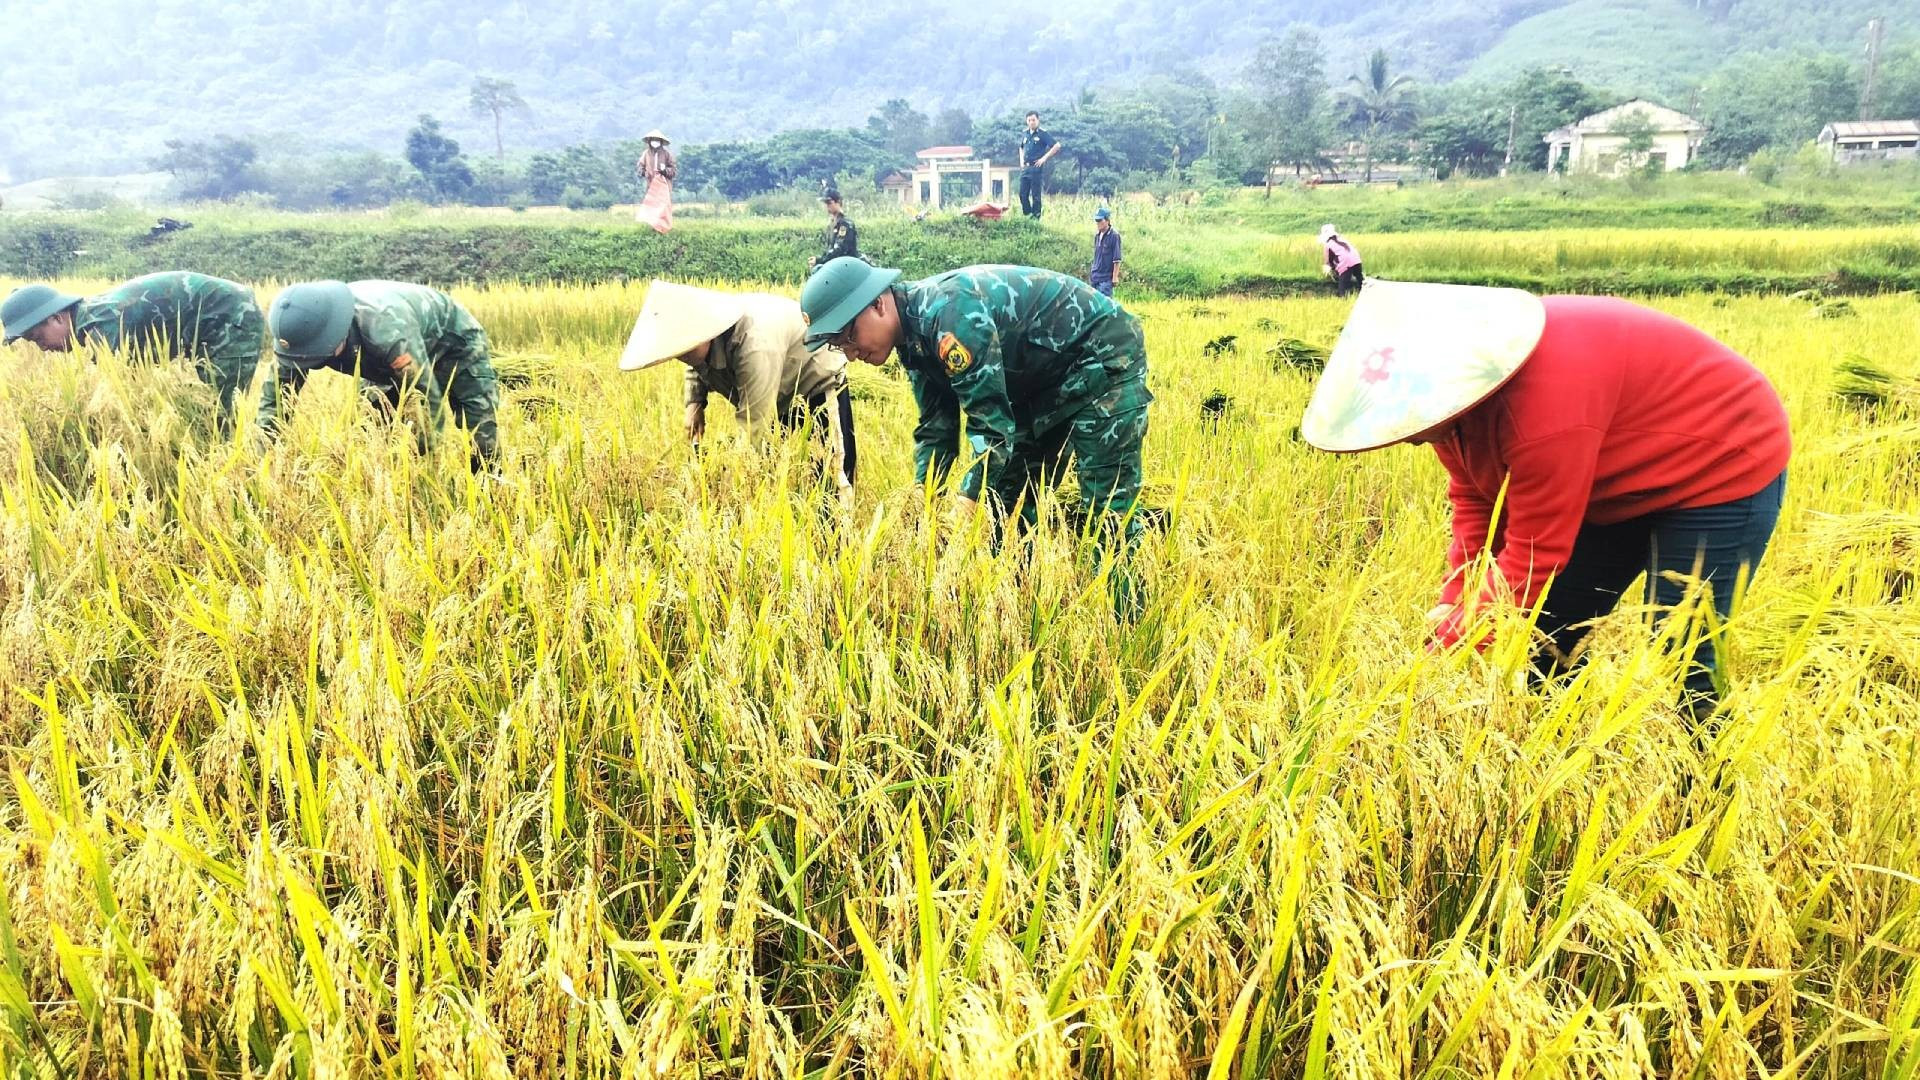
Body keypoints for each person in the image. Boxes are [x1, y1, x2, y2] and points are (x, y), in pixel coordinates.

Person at [1299, 280, 1792, 722]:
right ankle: (1552, 771)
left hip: (1720, 463)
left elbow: (1535, 553)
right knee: (1547, 640)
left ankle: (1707, 799)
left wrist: (1442, 651)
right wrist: (1454, 601)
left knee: (1681, 654)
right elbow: (1475, 500)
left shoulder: (1542, 412)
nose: (1406, 438)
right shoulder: (1451, 405)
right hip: (1610, 476)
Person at [798, 257, 1151, 605]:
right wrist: (924, 498)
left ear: (877, 303)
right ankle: (1018, 604)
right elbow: (937, 428)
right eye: (837, 344)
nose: (850, 351)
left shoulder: (950, 316)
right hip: (1039, 385)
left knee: (1106, 509)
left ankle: (1126, 620)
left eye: (848, 334)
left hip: (1102, 356)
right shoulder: (912, 340)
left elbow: (991, 427)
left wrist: (963, 509)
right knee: (1008, 504)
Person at [618, 280, 856, 494]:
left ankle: (838, 538)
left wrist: (729, 487)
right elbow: (695, 363)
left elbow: (754, 424)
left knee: (830, 478)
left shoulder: (755, 346)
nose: (682, 356)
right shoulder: (697, 345)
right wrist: (694, 403)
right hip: (776, 390)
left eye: (685, 349)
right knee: (780, 476)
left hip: (815, 384)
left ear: (705, 332)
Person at [260, 280, 501, 469]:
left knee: (478, 420)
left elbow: (426, 398)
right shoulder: (297, 336)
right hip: (376, 357)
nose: (308, 363)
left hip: (453, 341)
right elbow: (275, 404)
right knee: (370, 424)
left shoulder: (386, 330)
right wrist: (261, 462)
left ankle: (488, 487)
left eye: (315, 357)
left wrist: (422, 469)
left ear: (336, 335)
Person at [1, 272, 265, 431]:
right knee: (201, 411)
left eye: (37, 338)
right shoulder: (91, 320)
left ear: (57, 318)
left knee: (220, 412)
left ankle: (244, 473)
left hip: (231, 315)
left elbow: (124, 396)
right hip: (204, 326)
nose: (43, 348)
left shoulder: (101, 326)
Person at [1017, 111, 1062, 219]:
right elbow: (1021, 147)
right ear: (1026, 121)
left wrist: (1044, 158)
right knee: (1022, 194)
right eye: (1029, 120)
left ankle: (1036, 219)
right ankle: (1027, 216)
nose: (1031, 122)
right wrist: (1021, 160)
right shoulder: (1025, 133)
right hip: (1026, 168)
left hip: (1036, 167)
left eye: (1033, 120)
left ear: (1038, 120)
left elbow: (1057, 145)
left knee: (1036, 195)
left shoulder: (1042, 133)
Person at [634, 130, 677, 234]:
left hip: (663, 185)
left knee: (663, 206)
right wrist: (643, 172)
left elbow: (673, 171)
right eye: (653, 140)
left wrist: (664, 171)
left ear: (661, 142)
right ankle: (653, 228)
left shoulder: (667, 155)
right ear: (649, 141)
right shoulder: (646, 154)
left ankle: (664, 228)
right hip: (651, 185)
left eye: (657, 140)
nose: (655, 142)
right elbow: (640, 166)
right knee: (652, 206)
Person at [809, 187, 861, 270]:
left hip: (847, 267)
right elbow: (829, 248)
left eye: (829, 203)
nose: (827, 206)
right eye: (825, 203)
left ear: (838, 202)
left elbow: (839, 249)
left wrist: (820, 260)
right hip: (836, 267)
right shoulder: (832, 224)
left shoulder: (845, 224)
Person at [1321, 224, 1363, 296]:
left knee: (1342, 289)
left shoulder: (1328, 245)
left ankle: (1344, 299)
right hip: (1357, 261)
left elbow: (1328, 262)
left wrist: (1332, 270)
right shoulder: (1343, 240)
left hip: (1346, 265)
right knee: (1361, 282)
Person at [1090, 207, 1123, 297]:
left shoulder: (1114, 236)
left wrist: (1115, 277)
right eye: (1096, 220)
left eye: (1100, 220)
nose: (1098, 223)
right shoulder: (1097, 236)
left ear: (1107, 220)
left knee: (1105, 307)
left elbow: (1117, 259)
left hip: (1105, 279)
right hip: (1095, 277)